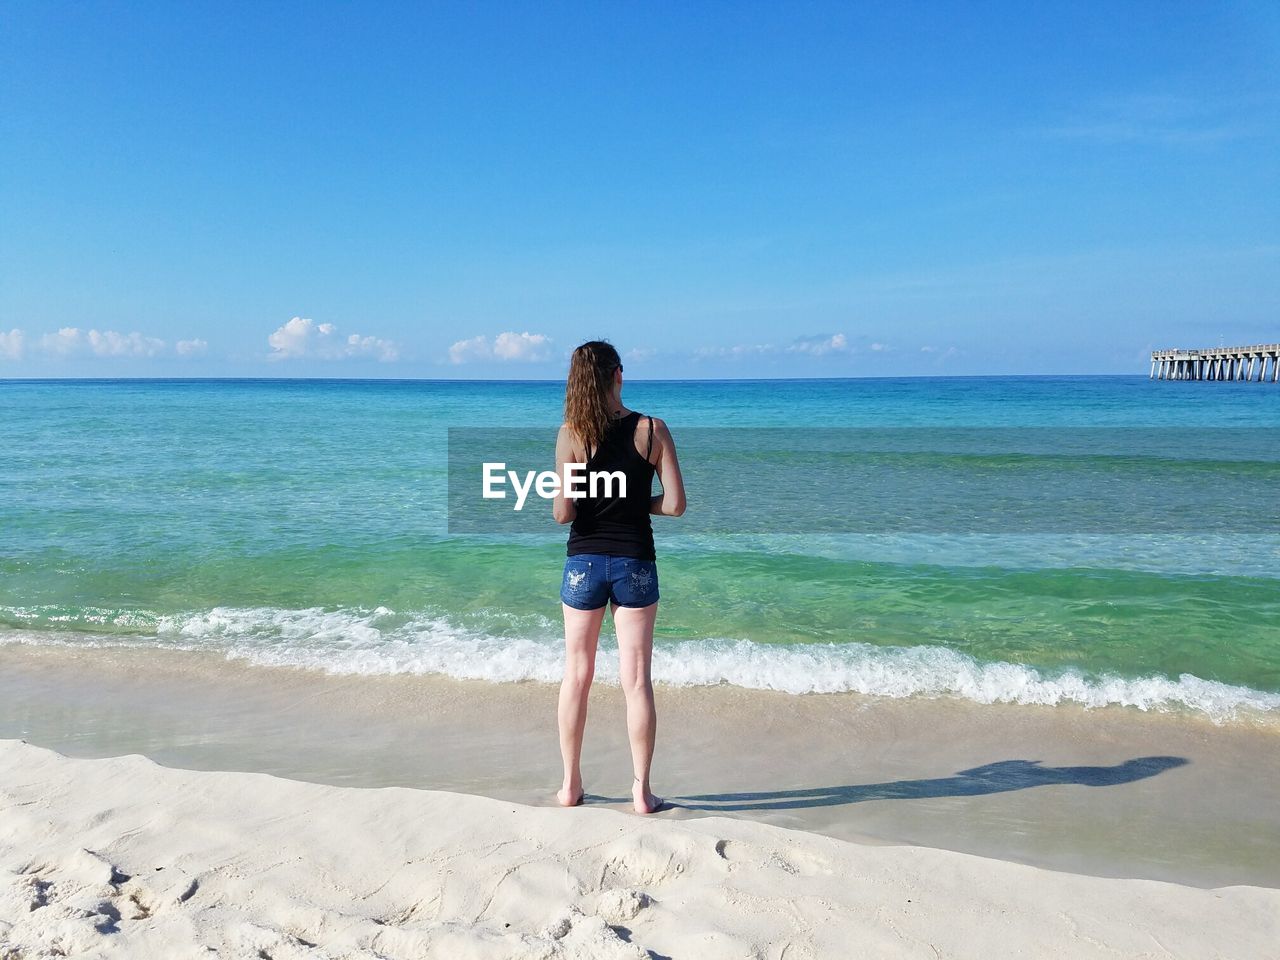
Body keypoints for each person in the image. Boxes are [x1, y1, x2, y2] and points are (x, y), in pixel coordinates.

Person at [552, 340, 686, 814]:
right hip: (635, 561)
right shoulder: (652, 430)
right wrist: (636, 502)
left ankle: (570, 786)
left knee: (577, 675)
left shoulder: (570, 434)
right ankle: (642, 793)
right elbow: (673, 504)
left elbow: (562, 514)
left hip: (583, 563)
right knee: (636, 680)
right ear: (619, 375)